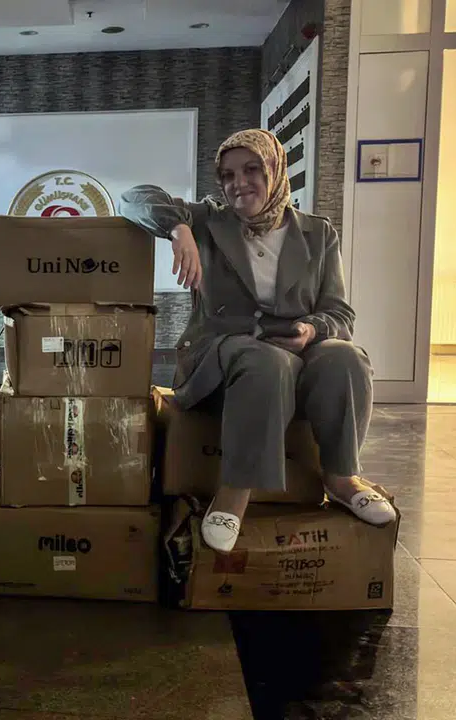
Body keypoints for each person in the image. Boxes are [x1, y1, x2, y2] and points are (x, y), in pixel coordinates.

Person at [120, 128, 396, 554]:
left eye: (252, 170)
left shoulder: (318, 234)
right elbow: (132, 199)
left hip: (299, 356)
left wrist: (310, 331)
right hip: (222, 357)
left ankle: (341, 477)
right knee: (266, 361)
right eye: (228, 175)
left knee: (346, 357)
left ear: (275, 170)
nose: (239, 183)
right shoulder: (208, 221)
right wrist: (177, 227)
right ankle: (235, 491)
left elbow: (340, 314)